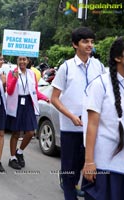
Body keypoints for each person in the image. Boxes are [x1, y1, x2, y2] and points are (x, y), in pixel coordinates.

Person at [51, 27, 106, 200]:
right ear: (75, 44)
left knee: (91, 172)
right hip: (71, 129)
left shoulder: (99, 66)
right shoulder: (66, 68)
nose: (90, 45)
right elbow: (54, 98)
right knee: (69, 173)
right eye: (85, 41)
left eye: (91, 41)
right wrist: (71, 116)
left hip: (93, 130)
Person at [82, 36, 124, 200]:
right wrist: (89, 161)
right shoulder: (100, 84)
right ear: (118, 58)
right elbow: (91, 125)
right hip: (105, 163)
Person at [6, 56, 49, 170]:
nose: (22, 62)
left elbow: (35, 91)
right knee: (16, 133)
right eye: (20, 59)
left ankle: (19, 152)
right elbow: (9, 91)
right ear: (17, 61)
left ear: (28, 61)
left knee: (30, 132)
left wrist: (45, 98)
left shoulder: (31, 74)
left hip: (28, 103)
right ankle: (12, 158)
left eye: (24, 59)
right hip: (16, 103)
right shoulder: (12, 73)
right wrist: (15, 78)